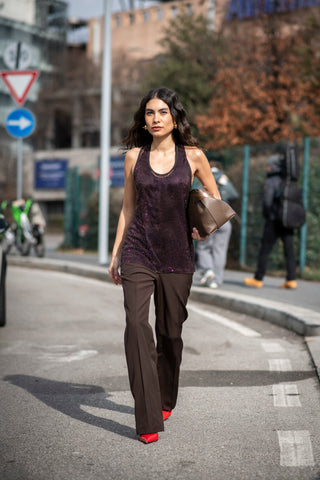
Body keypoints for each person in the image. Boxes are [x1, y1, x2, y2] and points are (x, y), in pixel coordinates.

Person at [108, 87, 220, 444]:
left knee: (170, 333)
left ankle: (165, 396)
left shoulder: (194, 156)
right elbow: (127, 208)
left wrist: (203, 227)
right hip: (138, 251)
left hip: (178, 255)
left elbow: (214, 200)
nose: (155, 119)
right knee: (137, 325)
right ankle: (148, 417)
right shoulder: (133, 158)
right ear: (143, 119)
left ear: (174, 117)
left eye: (162, 113)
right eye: (149, 113)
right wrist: (116, 253)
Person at [244, 154, 297, 289]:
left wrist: (267, 215)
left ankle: (258, 279)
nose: (267, 168)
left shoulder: (271, 180)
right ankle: (291, 280)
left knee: (265, 250)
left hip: (274, 220)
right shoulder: (289, 180)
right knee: (289, 250)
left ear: (273, 167)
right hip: (288, 220)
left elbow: (267, 201)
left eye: (268, 166)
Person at [195, 161, 239, 288]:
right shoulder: (224, 178)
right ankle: (217, 280)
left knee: (204, 247)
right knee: (220, 250)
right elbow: (234, 194)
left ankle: (207, 270)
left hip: (208, 218)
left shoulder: (203, 177)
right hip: (224, 219)